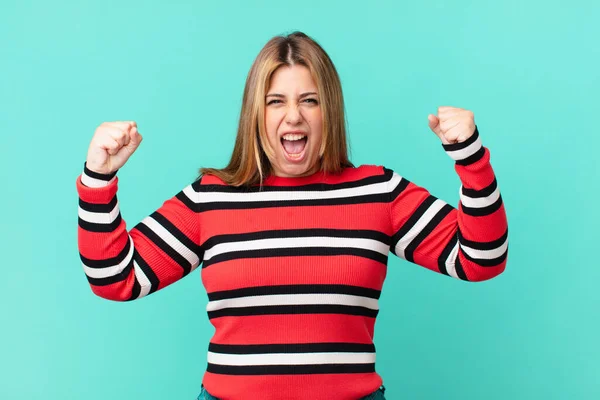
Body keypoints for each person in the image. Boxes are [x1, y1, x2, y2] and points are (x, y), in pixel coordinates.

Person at [76, 31, 508, 400]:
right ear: (256, 114)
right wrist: (98, 179)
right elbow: (116, 278)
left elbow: (480, 258)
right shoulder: (211, 199)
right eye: (275, 101)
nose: (293, 116)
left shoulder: (377, 192)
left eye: (310, 100)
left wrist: (470, 158)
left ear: (329, 111)